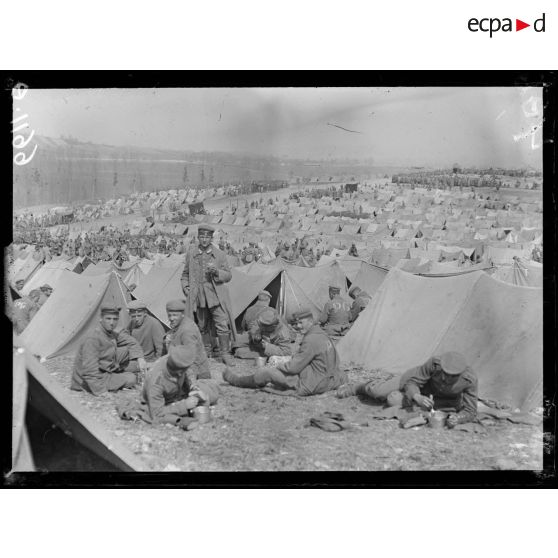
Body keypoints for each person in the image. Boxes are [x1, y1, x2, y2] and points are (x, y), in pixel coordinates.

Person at [336, 351, 478, 428]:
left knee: (393, 400)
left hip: (438, 400)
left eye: (451, 377)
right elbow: (413, 382)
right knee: (378, 392)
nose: (445, 379)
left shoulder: (469, 380)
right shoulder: (435, 363)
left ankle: (402, 398)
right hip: (415, 382)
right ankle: (358, 387)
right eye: (444, 374)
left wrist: (458, 419)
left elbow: (471, 411)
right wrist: (416, 396)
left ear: (460, 374)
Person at [224, 308, 346, 396]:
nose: (298, 326)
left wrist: (277, 367)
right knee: (239, 347)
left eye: (301, 323)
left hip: (312, 382)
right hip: (326, 377)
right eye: (296, 323)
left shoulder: (310, 340)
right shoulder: (322, 334)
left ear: (310, 321)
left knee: (265, 373)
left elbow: (292, 367)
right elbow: (335, 360)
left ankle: (237, 381)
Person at [180, 224, 236, 366]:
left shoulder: (219, 255)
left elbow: (229, 276)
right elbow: (185, 274)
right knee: (202, 324)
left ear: (211, 238)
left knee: (222, 323)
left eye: (207, 237)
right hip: (198, 295)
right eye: (202, 236)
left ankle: (225, 353)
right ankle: (205, 351)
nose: (204, 239)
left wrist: (217, 272)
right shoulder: (191, 253)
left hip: (215, 295)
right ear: (198, 237)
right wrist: (186, 288)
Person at [71, 304, 147, 395]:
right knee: (131, 378)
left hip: (105, 368)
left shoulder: (110, 333)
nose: (112, 322)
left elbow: (131, 342)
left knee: (135, 365)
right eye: (108, 319)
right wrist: (100, 391)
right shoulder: (93, 338)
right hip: (87, 381)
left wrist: (140, 358)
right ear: (101, 319)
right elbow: (89, 371)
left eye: (115, 319)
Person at [142, 345, 220, 427]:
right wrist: (184, 405)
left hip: (180, 392)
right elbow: (157, 413)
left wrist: (193, 386)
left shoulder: (175, 357)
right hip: (164, 403)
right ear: (179, 373)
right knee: (166, 418)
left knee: (210, 395)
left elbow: (188, 371)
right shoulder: (156, 382)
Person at [163, 299, 211, 379]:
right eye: (169, 315)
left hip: (198, 374)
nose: (171, 318)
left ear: (182, 315)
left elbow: (192, 359)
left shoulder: (187, 331)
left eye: (175, 315)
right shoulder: (180, 324)